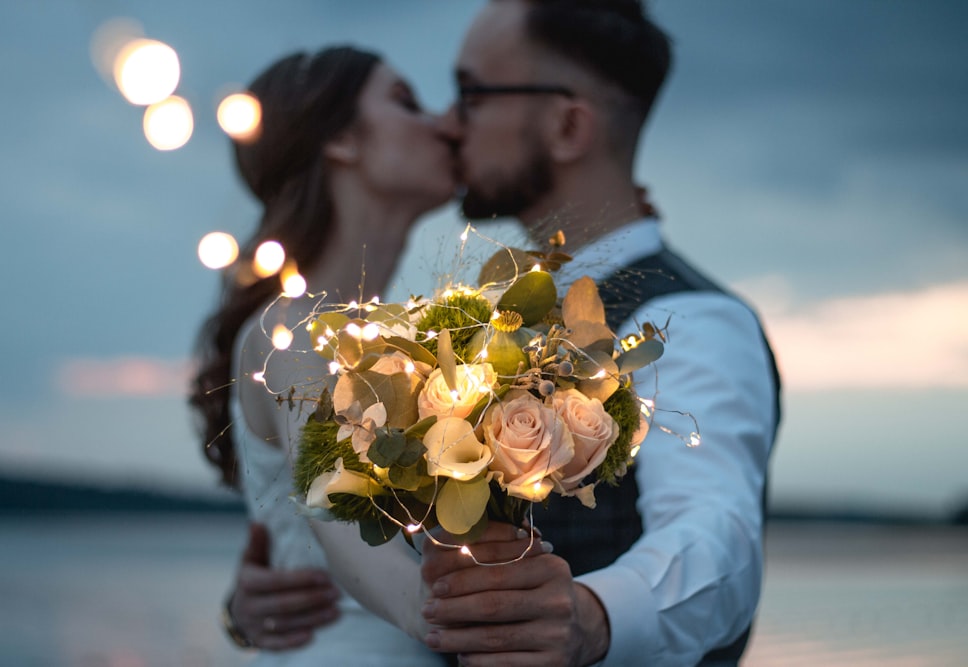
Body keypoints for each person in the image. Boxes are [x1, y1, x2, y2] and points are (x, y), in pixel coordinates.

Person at [225, 1, 780, 664]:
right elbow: (337, 506)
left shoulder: (685, 319)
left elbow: (715, 534)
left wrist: (591, 616)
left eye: (471, 94)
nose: (450, 122)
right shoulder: (473, 320)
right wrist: (266, 594)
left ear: (568, 126)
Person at [189, 45, 455, 664]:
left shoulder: (394, 335)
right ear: (340, 140)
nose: (443, 123)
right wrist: (479, 620)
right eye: (405, 102)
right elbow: (337, 512)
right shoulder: (294, 327)